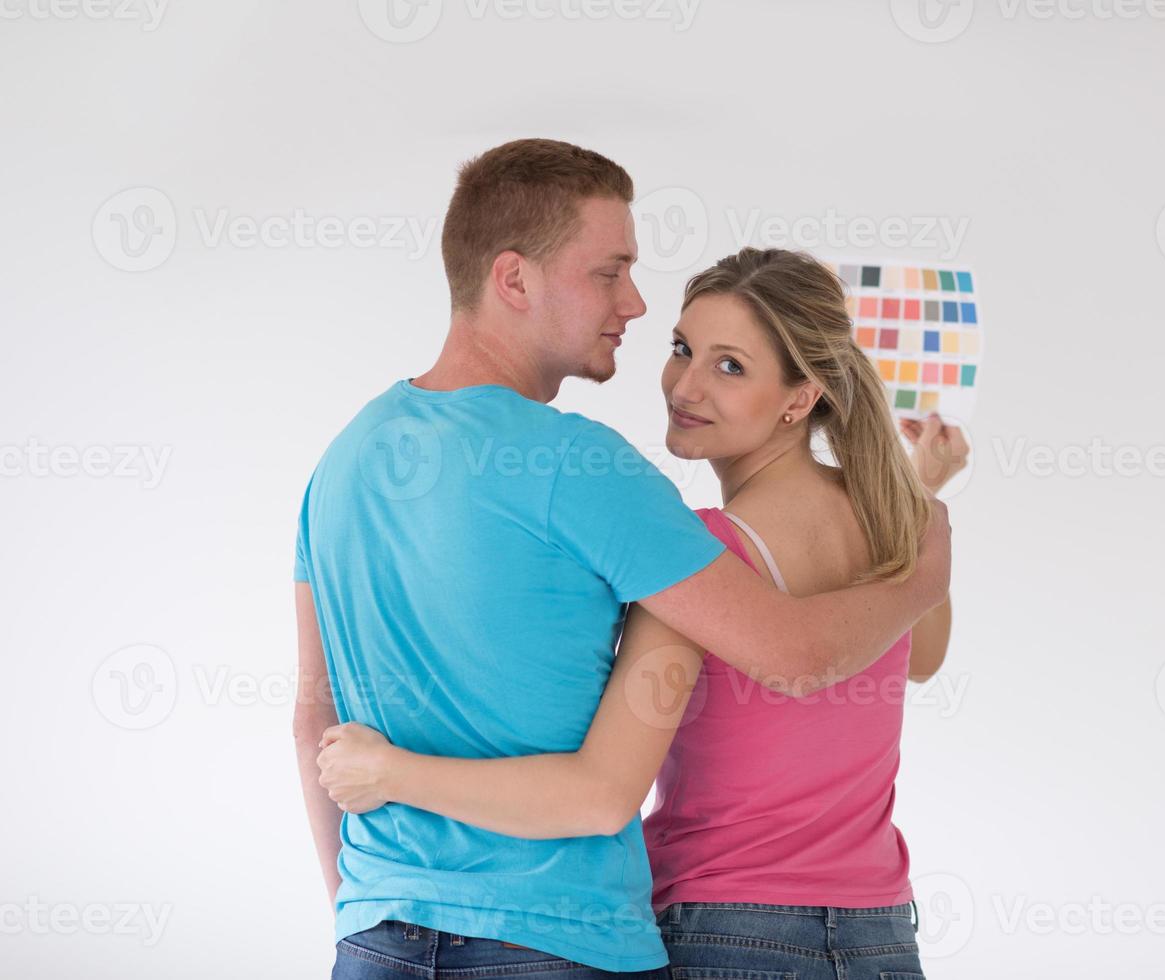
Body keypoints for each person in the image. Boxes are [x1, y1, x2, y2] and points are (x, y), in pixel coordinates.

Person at [292, 140, 951, 979]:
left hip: (378, 933)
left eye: (726, 364)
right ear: (513, 279)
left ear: (800, 396)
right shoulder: (589, 471)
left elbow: (312, 720)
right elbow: (803, 655)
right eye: (609, 272)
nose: (634, 306)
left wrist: (361, 902)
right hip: (561, 941)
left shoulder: (341, 462)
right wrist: (925, 549)